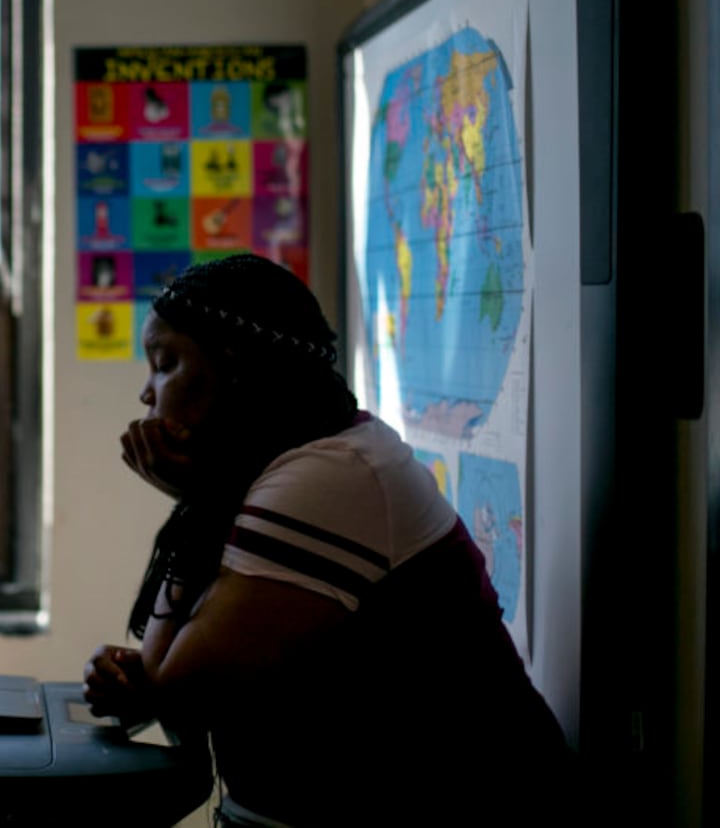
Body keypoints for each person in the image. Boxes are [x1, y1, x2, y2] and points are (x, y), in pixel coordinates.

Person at [82, 253, 574, 827]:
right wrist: (150, 676)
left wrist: (195, 504)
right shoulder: (305, 462)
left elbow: (185, 691)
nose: (147, 393)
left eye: (165, 364)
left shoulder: (330, 476)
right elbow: (182, 673)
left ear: (231, 365)